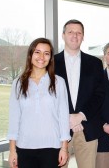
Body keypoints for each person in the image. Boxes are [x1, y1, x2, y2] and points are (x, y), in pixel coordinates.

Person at [7, 38, 70, 168]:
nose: (41, 57)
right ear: (31, 54)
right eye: (37, 52)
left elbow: (63, 117)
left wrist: (64, 147)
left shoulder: (59, 82)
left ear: (50, 58)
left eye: (46, 53)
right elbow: (14, 119)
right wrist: (12, 150)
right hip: (24, 147)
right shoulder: (18, 83)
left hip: (52, 147)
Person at [54, 19, 105, 168]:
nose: (75, 36)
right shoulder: (51, 62)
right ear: (63, 35)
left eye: (79, 33)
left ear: (83, 36)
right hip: (58, 129)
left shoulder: (95, 63)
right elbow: (49, 96)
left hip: (87, 129)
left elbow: (99, 94)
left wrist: (80, 116)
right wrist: (68, 117)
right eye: (70, 32)